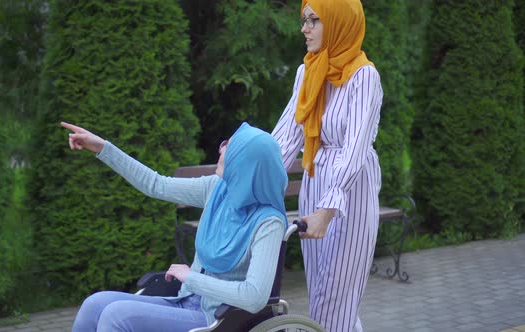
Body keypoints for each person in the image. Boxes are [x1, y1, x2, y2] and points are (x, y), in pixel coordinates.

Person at [62, 121, 288, 332]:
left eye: (231, 147)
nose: (222, 148)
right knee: (93, 304)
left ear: (245, 165)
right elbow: (156, 184)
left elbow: (254, 297)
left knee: (116, 315)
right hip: (184, 299)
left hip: (217, 318)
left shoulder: (269, 223)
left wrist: (191, 278)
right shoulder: (218, 189)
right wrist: (102, 147)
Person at [271, 0, 383, 331]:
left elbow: (355, 150)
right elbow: (287, 136)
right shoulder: (308, 70)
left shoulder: (364, 77)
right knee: (324, 297)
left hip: (350, 194)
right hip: (314, 181)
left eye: (313, 20)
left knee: (334, 303)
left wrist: (328, 208)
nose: (303, 28)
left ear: (338, 23)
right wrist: (246, 172)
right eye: (304, 20)